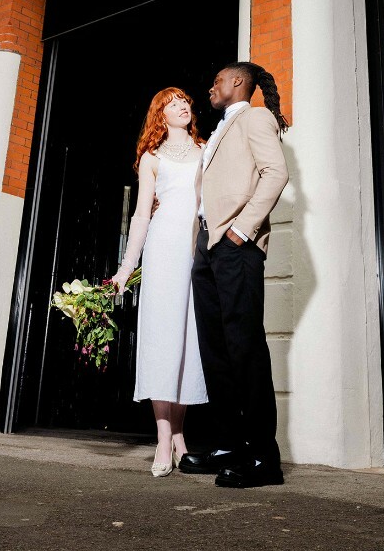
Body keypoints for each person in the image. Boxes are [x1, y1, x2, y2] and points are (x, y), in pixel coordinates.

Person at [179, 62, 289, 488]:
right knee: (216, 350)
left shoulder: (255, 117)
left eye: (218, 81)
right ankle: (229, 445)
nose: (211, 88)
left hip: (235, 245)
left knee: (244, 349)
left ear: (238, 83)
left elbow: (275, 173)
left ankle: (264, 459)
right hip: (208, 249)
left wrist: (242, 230)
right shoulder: (222, 129)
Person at [112, 88, 208, 477]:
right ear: (160, 114)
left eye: (184, 100)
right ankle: (163, 436)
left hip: (197, 252)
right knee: (162, 340)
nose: (182, 106)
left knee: (188, 342)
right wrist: (126, 267)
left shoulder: (206, 148)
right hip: (164, 250)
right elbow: (140, 216)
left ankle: (181, 434)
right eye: (172, 103)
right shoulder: (151, 158)